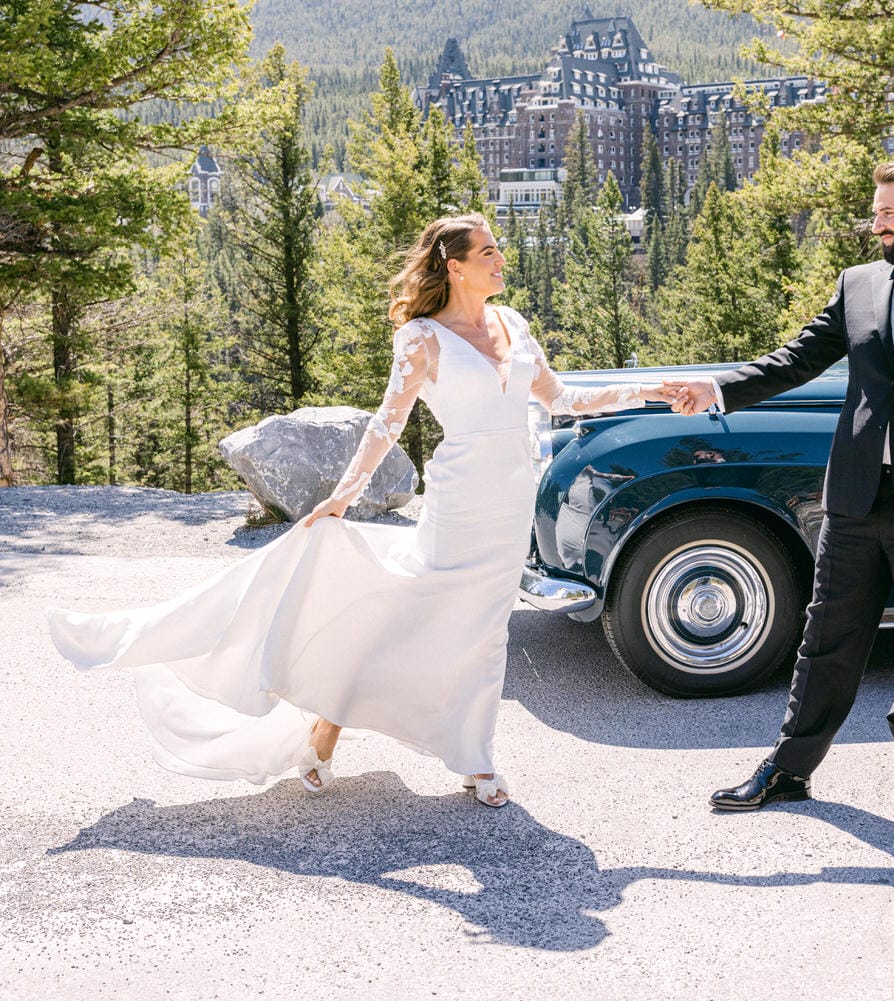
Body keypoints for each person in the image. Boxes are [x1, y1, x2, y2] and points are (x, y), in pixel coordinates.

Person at [48, 213, 674, 808]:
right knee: (407, 617)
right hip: (460, 500)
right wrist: (344, 495)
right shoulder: (422, 338)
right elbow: (387, 423)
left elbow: (560, 398)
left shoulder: (512, 323)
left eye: (496, 249)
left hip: (511, 496)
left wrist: (649, 390)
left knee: (485, 632)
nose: (500, 259)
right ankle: (326, 725)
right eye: (487, 251)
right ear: (454, 266)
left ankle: (474, 758)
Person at [666, 158, 894, 826]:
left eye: (886, 213)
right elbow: (797, 357)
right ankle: (788, 768)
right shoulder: (857, 284)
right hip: (855, 496)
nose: (876, 226)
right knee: (825, 636)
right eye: (874, 213)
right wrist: (717, 389)